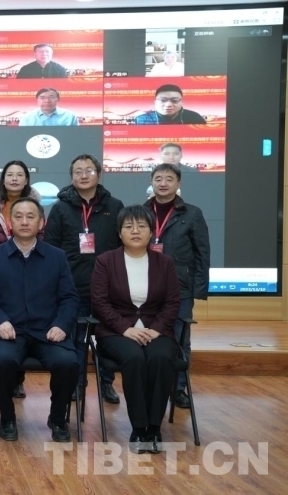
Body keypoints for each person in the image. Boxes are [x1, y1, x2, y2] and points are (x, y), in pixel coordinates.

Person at [0, 197, 79, 442]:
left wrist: (61, 325)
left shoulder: (56, 257)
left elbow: (70, 298)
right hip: (9, 332)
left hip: (47, 331)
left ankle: (57, 417)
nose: (24, 222)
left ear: (41, 223)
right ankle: (7, 416)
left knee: (68, 362)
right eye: (18, 216)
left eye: (30, 217)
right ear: (10, 223)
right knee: (0, 362)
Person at [91, 205, 180, 454]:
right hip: (116, 332)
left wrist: (157, 329)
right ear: (119, 233)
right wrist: (125, 329)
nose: (135, 231)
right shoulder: (105, 261)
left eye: (142, 226)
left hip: (156, 331)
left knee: (161, 358)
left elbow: (173, 302)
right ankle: (139, 428)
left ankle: (154, 427)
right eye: (128, 226)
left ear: (152, 232)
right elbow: (99, 302)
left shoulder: (165, 263)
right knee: (134, 359)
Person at [43, 154, 124, 404]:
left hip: (108, 287)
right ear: (71, 177)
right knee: (76, 338)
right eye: (78, 171)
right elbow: (50, 248)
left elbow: (122, 247)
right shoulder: (60, 208)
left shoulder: (115, 206)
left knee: (108, 337)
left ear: (99, 174)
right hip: (72, 286)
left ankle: (106, 382)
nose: (84, 175)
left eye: (89, 170)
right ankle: (76, 383)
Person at [144, 163, 210, 408]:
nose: (163, 183)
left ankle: (179, 388)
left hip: (180, 288)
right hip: (147, 287)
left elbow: (202, 253)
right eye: (158, 178)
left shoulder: (192, 214)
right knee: (149, 336)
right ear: (152, 182)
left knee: (181, 339)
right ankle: (153, 384)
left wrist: (198, 289)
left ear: (178, 183)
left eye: (169, 179)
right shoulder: (141, 212)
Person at [0, 160, 41, 399]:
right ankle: (4, 378)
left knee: (24, 318)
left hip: (29, 266)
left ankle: (18, 379)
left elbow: (41, 234)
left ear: (26, 179)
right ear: (3, 179)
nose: (14, 178)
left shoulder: (35, 204)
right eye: (10, 174)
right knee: (2, 318)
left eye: (19, 175)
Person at [135, 84, 207, 125]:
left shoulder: (194, 118)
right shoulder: (141, 120)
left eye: (174, 100)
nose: (168, 104)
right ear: (155, 102)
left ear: (182, 102)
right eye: (163, 100)